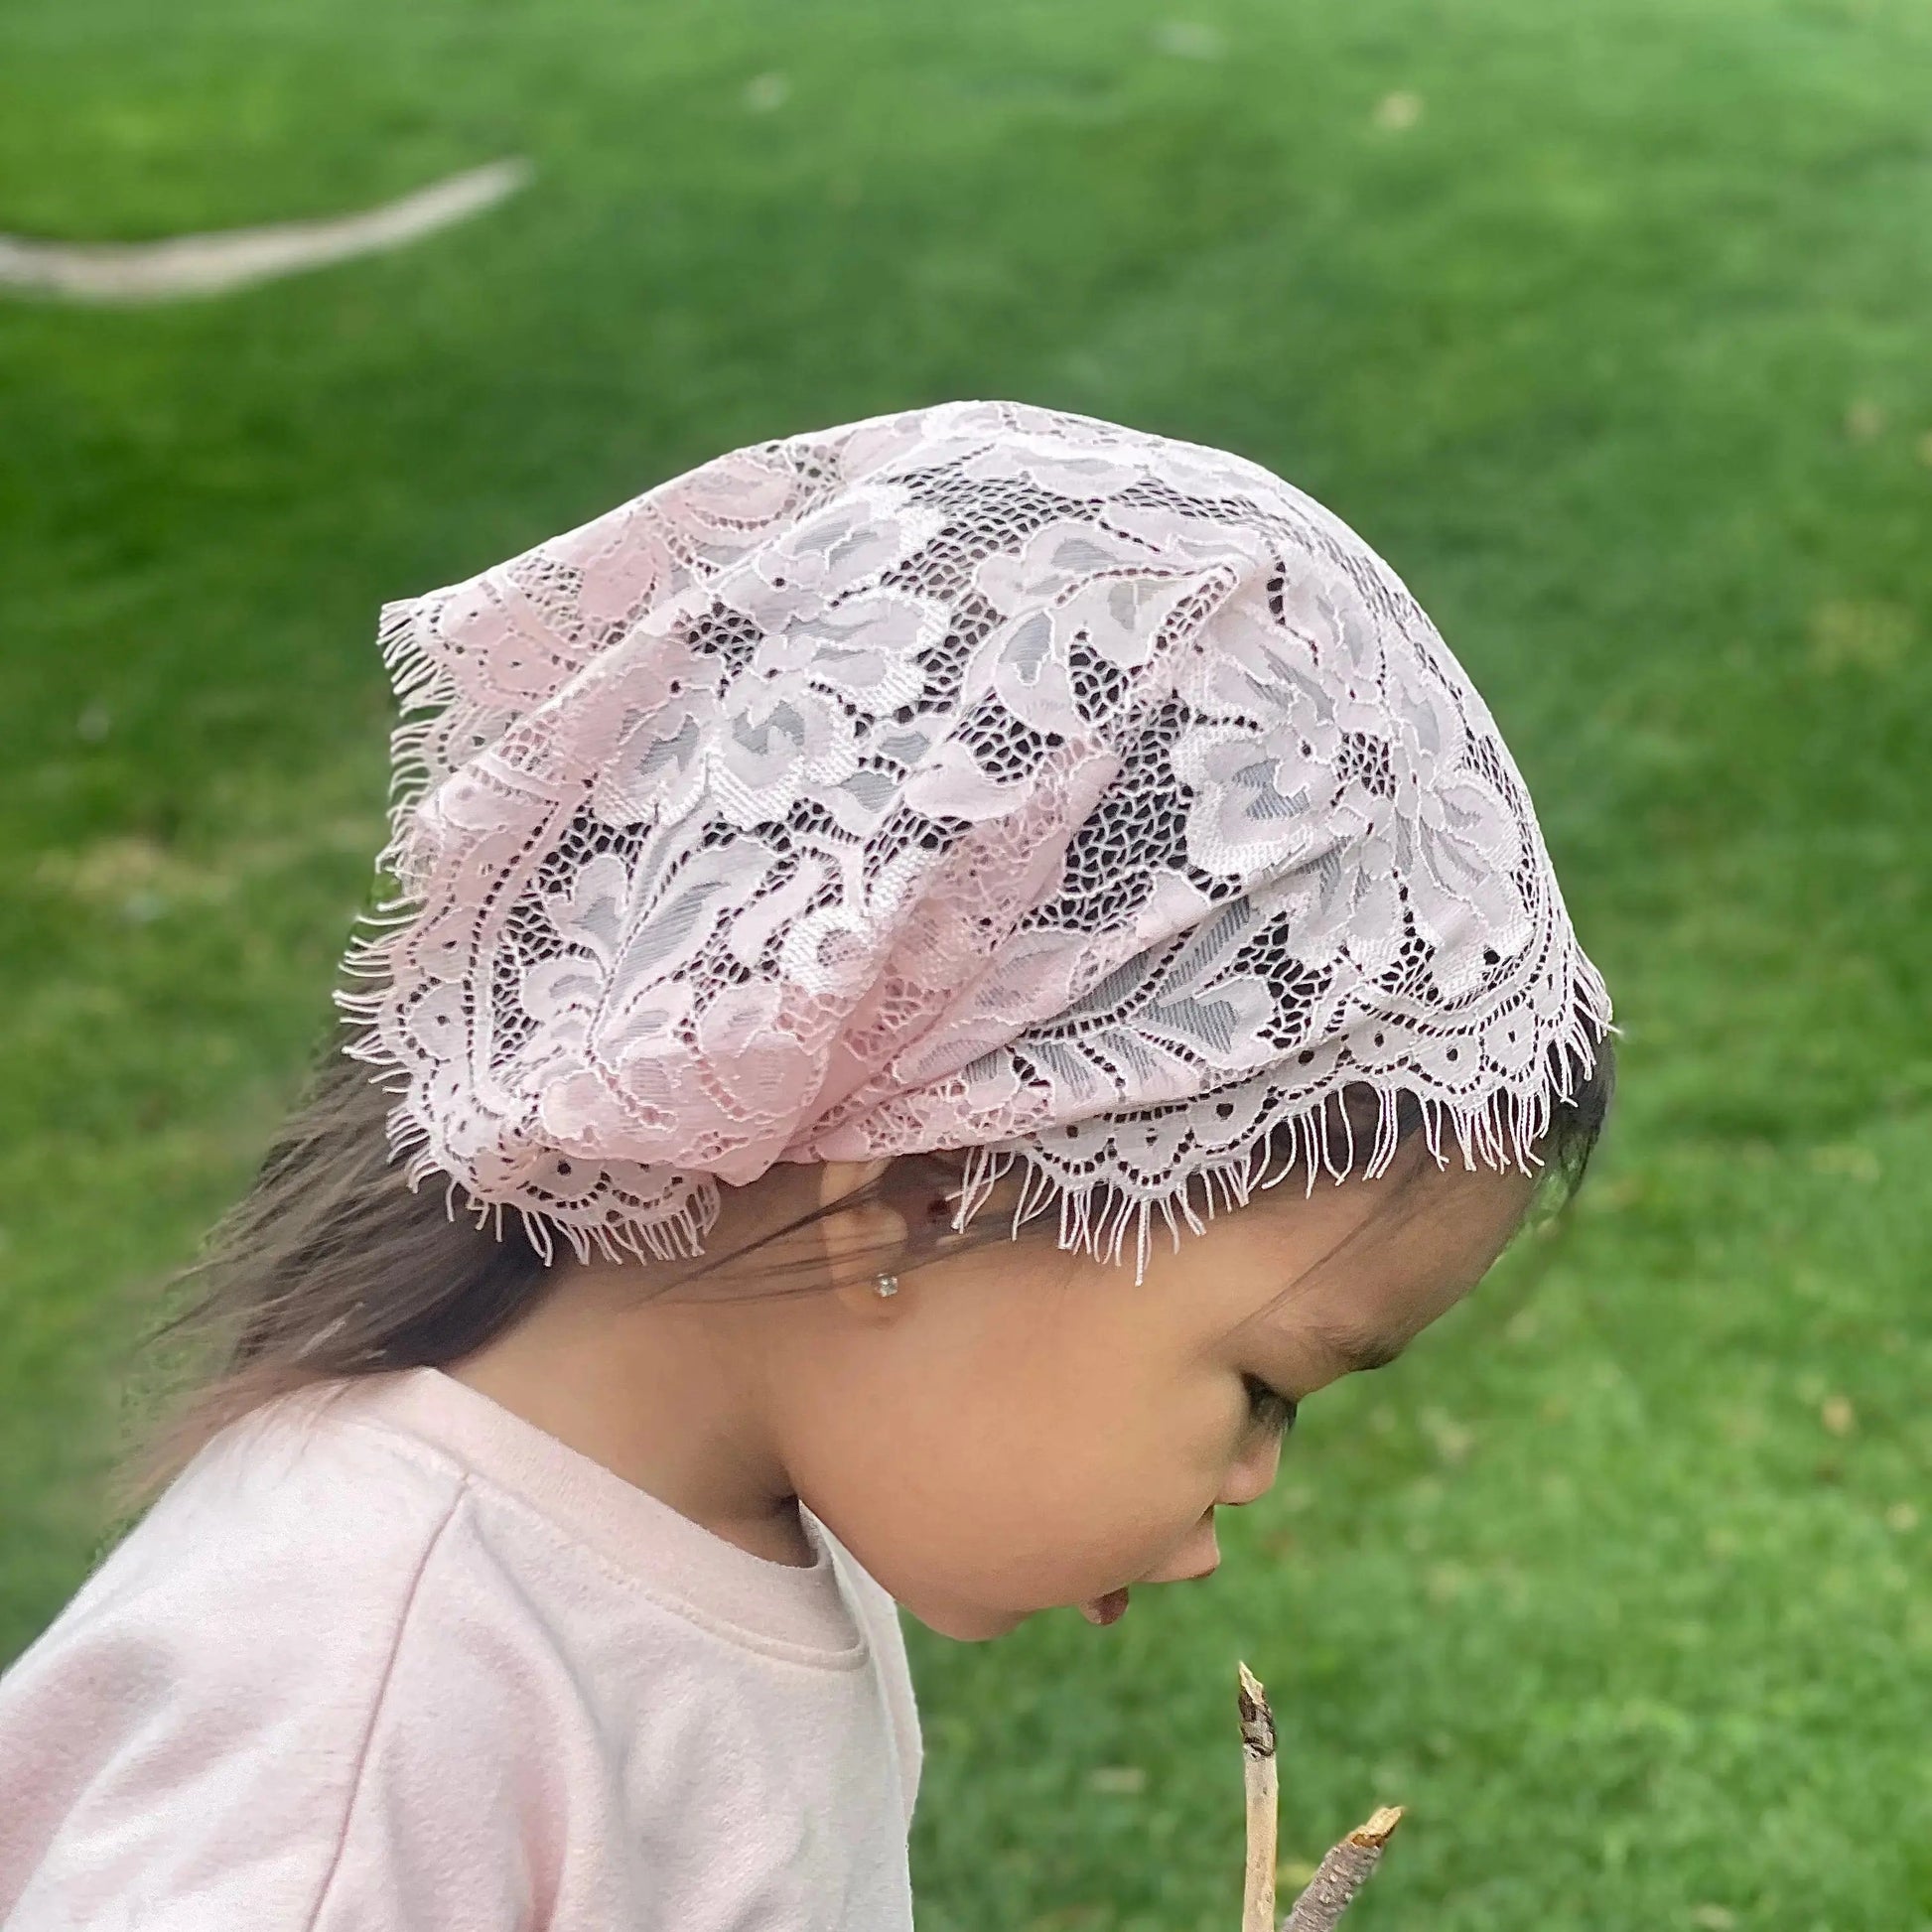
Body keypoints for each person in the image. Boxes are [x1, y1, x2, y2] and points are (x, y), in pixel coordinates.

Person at [0, 398, 1616, 1929]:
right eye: (1266, 1385)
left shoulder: (730, 1553)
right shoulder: (365, 1703)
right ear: (919, 1201)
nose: (1253, 1476)